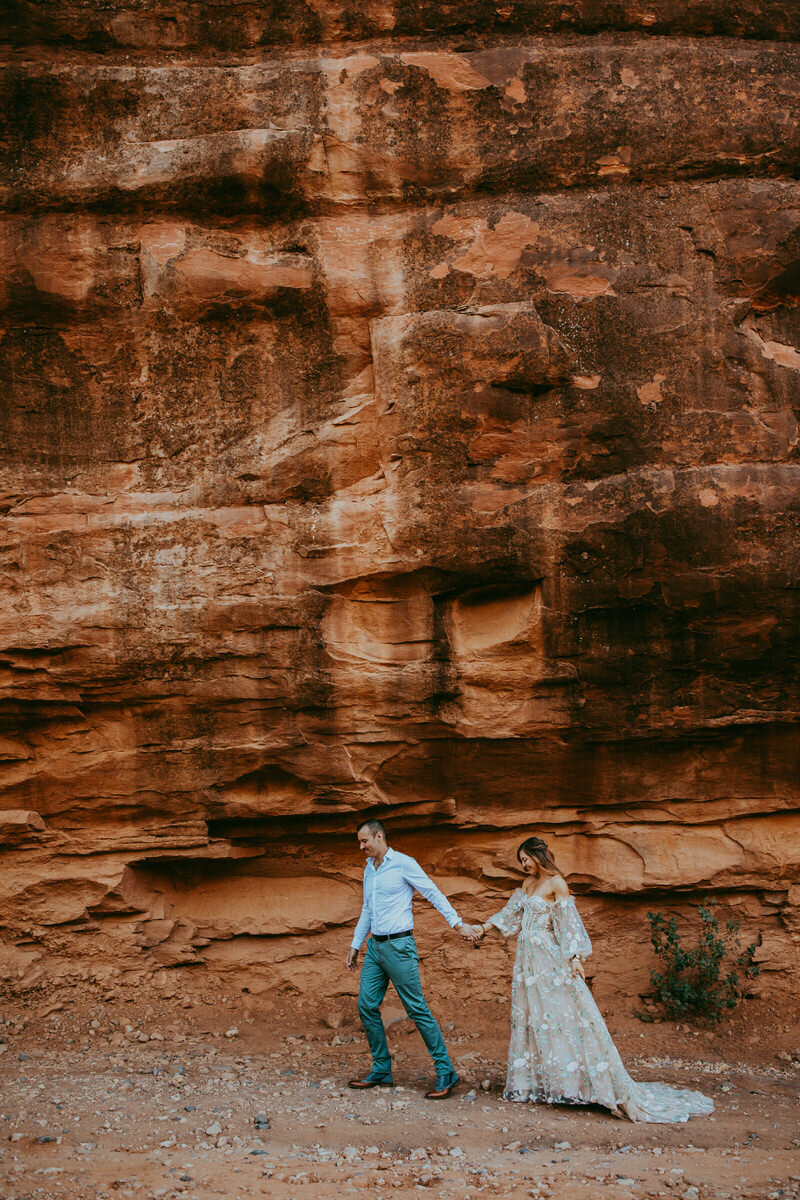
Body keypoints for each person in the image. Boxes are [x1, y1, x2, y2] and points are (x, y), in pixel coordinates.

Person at [472, 836, 714, 1123]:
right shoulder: (526, 885)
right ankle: (546, 1083)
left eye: (526, 858)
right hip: (527, 963)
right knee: (534, 1016)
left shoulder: (556, 883)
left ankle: (587, 1083)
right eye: (520, 860)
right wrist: (483, 928)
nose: (523, 864)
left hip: (548, 958)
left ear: (538, 855)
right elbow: (510, 915)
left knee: (564, 1014)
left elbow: (568, 924)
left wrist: (575, 958)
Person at [346, 818, 481, 1098]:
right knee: (366, 1005)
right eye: (360, 842)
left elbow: (432, 892)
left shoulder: (404, 863)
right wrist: (356, 945)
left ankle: (446, 1071)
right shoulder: (369, 871)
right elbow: (367, 910)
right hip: (375, 948)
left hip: (399, 946)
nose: (361, 846)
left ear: (379, 837)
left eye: (364, 841)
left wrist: (457, 924)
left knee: (416, 1008)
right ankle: (382, 1069)